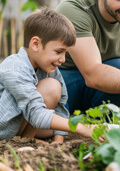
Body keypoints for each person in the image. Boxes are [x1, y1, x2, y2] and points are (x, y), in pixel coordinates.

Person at [0, 8, 100, 144]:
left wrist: (58, 140)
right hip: (3, 130)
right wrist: (81, 127)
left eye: (65, 53)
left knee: (53, 90)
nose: (63, 59)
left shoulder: (47, 67)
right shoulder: (14, 68)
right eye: (59, 51)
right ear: (35, 44)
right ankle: (21, 140)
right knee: (51, 117)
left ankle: (26, 139)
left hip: (22, 122)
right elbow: (35, 113)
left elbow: (60, 104)